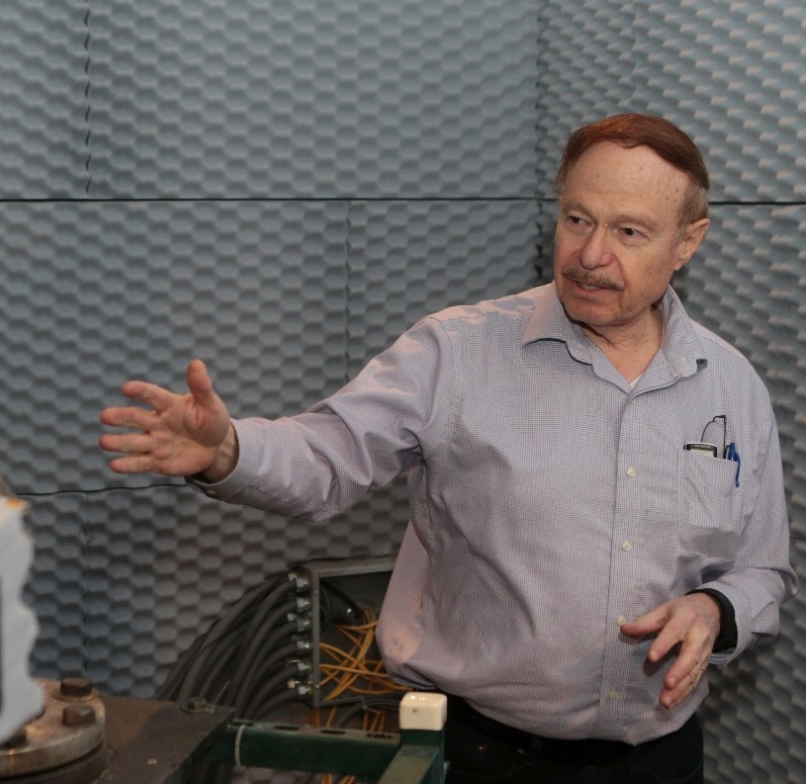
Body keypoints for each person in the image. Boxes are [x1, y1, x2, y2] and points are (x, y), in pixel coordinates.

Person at [98, 114, 797, 783]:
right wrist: (229, 451)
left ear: (687, 240)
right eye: (577, 219)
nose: (590, 254)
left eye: (629, 231)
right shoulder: (457, 352)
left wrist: (713, 610)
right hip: (483, 759)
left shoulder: (731, 387)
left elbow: (762, 569)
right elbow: (327, 456)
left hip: (662, 761)